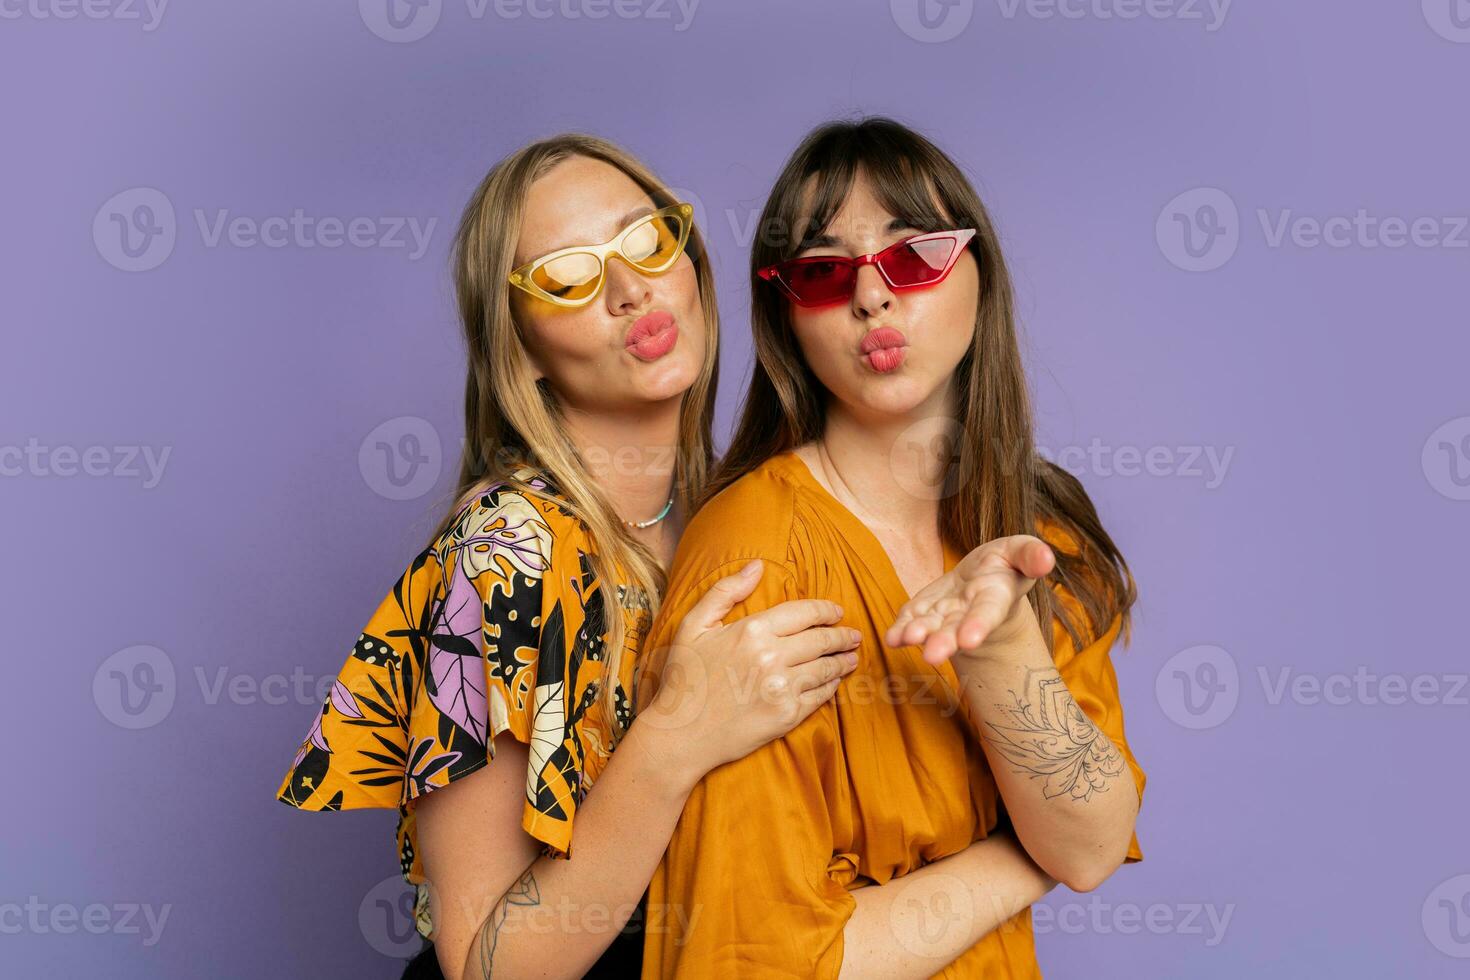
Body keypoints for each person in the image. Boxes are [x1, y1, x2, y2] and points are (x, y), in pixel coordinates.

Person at [275, 133, 861, 979]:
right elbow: (483, 966)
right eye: (567, 277)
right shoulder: (505, 558)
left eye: (646, 239)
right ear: (520, 349)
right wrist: (677, 734)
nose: (630, 289)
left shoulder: (734, 514)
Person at [636, 117, 1147, 978]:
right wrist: (1033, 848)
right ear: (786, 317)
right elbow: (756, 963)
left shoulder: (1037, 529)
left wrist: (1005, 651)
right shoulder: (755, 555)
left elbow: (1093, 845)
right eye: (825, 272)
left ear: (981, 275)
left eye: (914, 257)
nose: (873, 296)